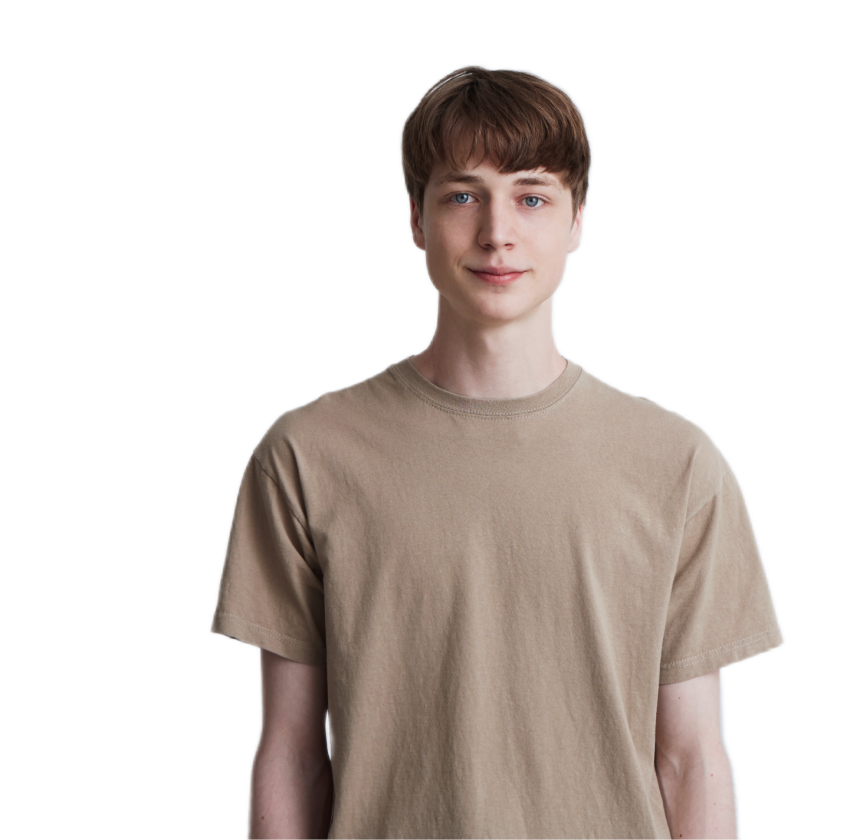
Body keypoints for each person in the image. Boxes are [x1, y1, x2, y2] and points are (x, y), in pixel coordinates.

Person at [209, 62, 786, 840]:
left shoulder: (679, 464)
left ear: (579, 221)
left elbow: (691, 757)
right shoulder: (307, 456)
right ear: (415, 219)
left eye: (532, 196)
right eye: (462, 195)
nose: (497, 232)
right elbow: (291, 754)